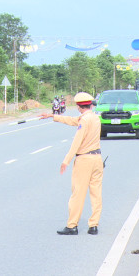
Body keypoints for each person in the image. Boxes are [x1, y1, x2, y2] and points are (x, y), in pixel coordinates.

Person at [39, 92, 103, 235]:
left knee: (78, 193)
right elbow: (73, 120)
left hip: (84, 160)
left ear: (79, 107)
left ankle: (72, 225)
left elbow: (76, 142)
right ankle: (94, 226)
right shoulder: (94, 118)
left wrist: (66, 160)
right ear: (90, 105)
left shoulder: (84, 120)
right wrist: (53, 116)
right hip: (97, 158)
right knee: (96, 193)